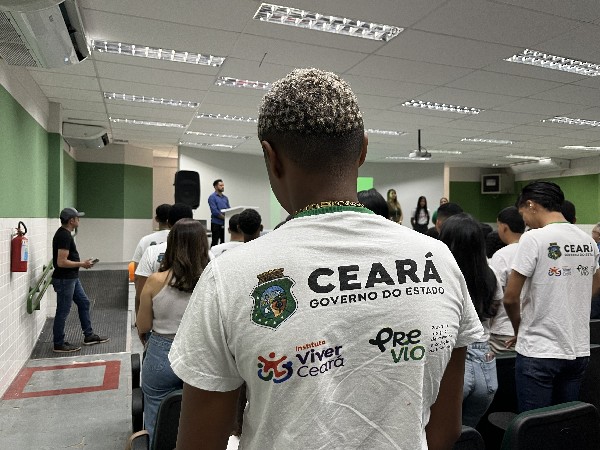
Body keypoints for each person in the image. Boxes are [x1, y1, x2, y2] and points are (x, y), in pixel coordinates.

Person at [169, 68, 484, 450]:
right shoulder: (439, 259)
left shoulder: (228, 276)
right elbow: (445, 431)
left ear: (271, 157)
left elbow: (199, 443)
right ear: (363, 150)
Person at [503, 181, 600, 412]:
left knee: (535, 424)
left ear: (531, 204)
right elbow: (597, 280)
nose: (525, 222)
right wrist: (572, 300)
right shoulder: (587, 240)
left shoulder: (534, 238)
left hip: (539, 350)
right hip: (577, 350)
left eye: (523, 214)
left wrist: (519, 330)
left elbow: (510, 298)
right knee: (563, 423)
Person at [136, 218, 209, 447]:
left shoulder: (155, 281)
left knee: (157, 415)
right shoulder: (211, 279)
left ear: (172, 244)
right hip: (201, 352)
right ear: (202, 245)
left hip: (161, 353)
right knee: (202, 415)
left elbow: (143, 325)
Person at [439, 213, 502, 427]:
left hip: (452, 358)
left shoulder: (440, 276)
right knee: (469, 432)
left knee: (443, 433)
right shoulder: (491, 274)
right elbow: (495, 309)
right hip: (485, 361)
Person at [51, 207, 109, 353]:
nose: (79, 220)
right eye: (77, 218)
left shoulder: (65, 234)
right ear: (71, 220)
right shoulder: (64, 236)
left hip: (71, 278)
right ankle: (58, 343)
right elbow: (61, 262)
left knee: (84, 302)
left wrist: (81, 263)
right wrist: (82, 264)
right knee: (63, 311)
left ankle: (88, 335)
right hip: (65, 279)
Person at [134, 203, 193, 315]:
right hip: (192, 319)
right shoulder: (207, 255)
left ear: (168, 222)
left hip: (158, 316)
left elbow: (139, 282)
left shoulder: (150, 248)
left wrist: (140, 320)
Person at [488, 207, 525, 354]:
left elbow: (495, 294)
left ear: (504, 227)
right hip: (530, 329)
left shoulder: (502, 255)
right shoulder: (534, 250)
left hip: (504, 330)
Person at [131, 204, 171, 272]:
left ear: (156, 219)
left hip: (149, 278)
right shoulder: (180, 239)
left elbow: (136, 267)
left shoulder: (145, 240)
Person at [208, 179, 230, 247]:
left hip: (224, 224)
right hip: (216, 223)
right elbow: (215, 211)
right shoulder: (212, 197)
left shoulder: (225, 198)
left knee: (224, 242)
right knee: (215, 242)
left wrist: (228, 217)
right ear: (215, 186)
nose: (223, 187)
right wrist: (225, 218)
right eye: (220, 185)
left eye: (223, 185)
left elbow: (229, 209)